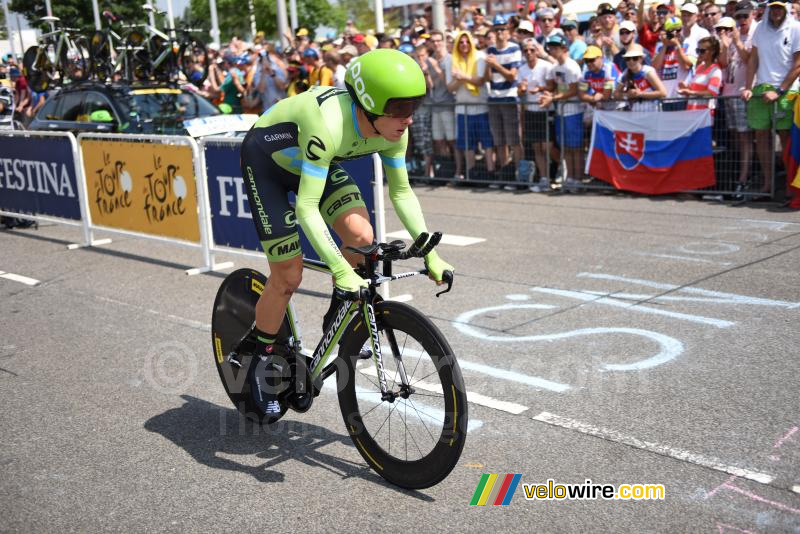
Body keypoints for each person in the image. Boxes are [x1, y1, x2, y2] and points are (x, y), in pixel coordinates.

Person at [238, 49, 454, 415]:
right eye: (400, 108)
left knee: (362, 236)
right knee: (288, 275)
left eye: (414, 106)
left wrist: (429, 252)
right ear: (369, 105)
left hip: (315, 164)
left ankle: (335, 318)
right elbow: (306, 208)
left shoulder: (394, 129)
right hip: (267, 164)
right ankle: (257, 356)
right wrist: (340, 269)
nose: (409, 118)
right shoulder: (329, 123)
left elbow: (401, 192)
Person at [742, 0, 800, 196]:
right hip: (761, 88)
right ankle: (769, 185)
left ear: (785, 9)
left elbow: (798, 65)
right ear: (768, 9)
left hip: (787, 90)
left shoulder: (796, 28)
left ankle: (790, 186)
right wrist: (748, 87)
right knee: (761, 137)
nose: (776, 11)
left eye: (780, 8)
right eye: (773, 7)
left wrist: (780, 90)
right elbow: (753, 59)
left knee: (786, 139)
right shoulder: (759, 28)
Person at [719, 2, 757, 197]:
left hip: (744, 92)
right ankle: (739, 176)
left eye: (745, 16)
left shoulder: (753, 35)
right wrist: (726, 46)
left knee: (745, 137)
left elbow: (750, 59)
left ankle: (745, 178)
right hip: (729, 92)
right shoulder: (733, 36)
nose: (741, 21)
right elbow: (724, 63)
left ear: (753, 15)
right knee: (735, 136)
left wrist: (737, 42)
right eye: (739, 17)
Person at [539, 33, 584, 190]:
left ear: (564, 48)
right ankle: (569, 177)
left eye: (555, 47)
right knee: (566, 147)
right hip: (561, 112)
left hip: (573, 112)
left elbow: (573, 91)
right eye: (550, 47)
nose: (551, 50)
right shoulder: (554, 67)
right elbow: (552, 86)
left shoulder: (572, 67)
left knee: (576, 148)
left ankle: (578, 178)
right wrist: (542, 90)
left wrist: (554, 98)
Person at [450, 30, 496, 180]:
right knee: (467, 144)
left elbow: (480, 81)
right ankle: (471, 172)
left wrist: (462, 77)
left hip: (481, 106)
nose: (464, 45)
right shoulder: (453, 60)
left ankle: (490, 172)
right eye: (461, 42)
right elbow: (450, 87)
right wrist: (462, 80)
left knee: (487, 142)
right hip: (463, 108)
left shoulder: (480, 57)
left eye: (467, 41)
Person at [485, 14, 523, 183]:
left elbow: (512, 76)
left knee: (514, 139)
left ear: (508, 31)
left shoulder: (514, 48)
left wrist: (495, 65)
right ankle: (506, 173)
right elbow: (488, 77)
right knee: (500, 141)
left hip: (509, 98)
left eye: (502, 29)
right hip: (494, 98)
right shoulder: (491, 50)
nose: (500, 32)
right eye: (497, 29)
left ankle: (519, 174)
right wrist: (488, 66)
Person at [517, 39, 554, 192]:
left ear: (537, 51)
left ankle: (559, 170)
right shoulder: (522, 69)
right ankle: (544, 178)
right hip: (531, 111)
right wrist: (523, 89)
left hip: (546, 109)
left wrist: (540, 89)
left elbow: (553, 86)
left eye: (532, 50)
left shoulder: (546, 66)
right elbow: (519, 91)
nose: (529, 53)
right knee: (537, 147)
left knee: (547, 147)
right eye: (526, 50)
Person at [426, 30, 460, 179]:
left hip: (448, 104)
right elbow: (431, 86)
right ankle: (446, 172)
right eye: (433, 41)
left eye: (438, 40)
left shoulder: (450, 59)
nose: (436, 44)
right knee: (438, 142)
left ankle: (459, 171)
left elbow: (449, 85)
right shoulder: (430, 59)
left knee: (452, 141)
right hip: (435, 105)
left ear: (444, 41)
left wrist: (437, 68)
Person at [614, 43, 667, 111]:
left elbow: (663, 93)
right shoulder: (625, 74)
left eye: (635, 58)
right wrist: (627, 95)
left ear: (641, 59)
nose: (631, 61)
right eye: (628, 58)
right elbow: (616, 94)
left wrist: (640, 94)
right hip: (636, 114)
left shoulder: (647, 72)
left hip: (652, 112)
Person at [653, 16, 693, 104]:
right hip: (666, 97)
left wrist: (677, 46)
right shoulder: (660, 47)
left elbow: (687, 66)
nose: (675, 34)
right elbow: (655, 66)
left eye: (678, 30)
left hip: (681, 96)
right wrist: (664, 45)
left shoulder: (688, 44)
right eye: (671, 31)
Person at [678, 36, 723, 114]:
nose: (699, 53)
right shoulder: (699, 67)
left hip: (705, 116)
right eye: (697, 50)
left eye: (702, 51)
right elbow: (693, 89)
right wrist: (685, 88)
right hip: (691, 112)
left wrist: (690, 92)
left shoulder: (716, 71)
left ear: (712, 52)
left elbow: (711, 93)